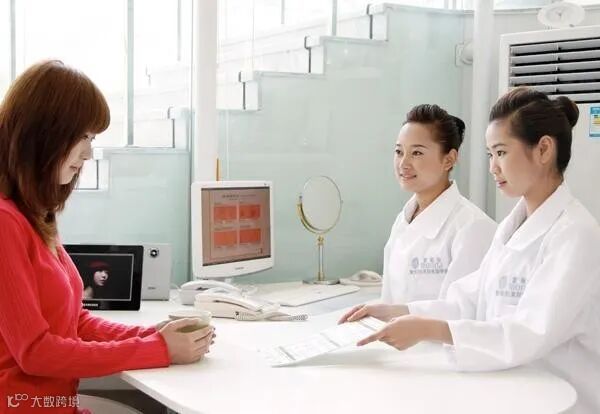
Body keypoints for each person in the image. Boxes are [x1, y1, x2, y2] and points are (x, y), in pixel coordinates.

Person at [340, 87, 600, 414]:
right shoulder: (512, 227)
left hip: (563, 400)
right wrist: (397, 311)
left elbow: (529, 332)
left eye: (501, 152)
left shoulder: (575, 234)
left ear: (544, 149)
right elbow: (470, 300)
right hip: (514, 392)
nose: (493, 167)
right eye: (490, 154)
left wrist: (430, 329)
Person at [0, 60, 215, 414]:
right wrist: (159, 349)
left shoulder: (35, 215)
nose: (88, 153)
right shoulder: (5, 222)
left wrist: (152, 335)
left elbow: (75, 322)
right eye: (82, 137)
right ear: (44, 133)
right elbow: (35, 352)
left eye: (92, 139)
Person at [381, 104, 496, 304]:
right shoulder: (403, 221)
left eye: (417, 153)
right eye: (399, 152)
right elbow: (388, 302)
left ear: (449, 159)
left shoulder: (473, 227)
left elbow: (462, 311)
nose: (403, 163)